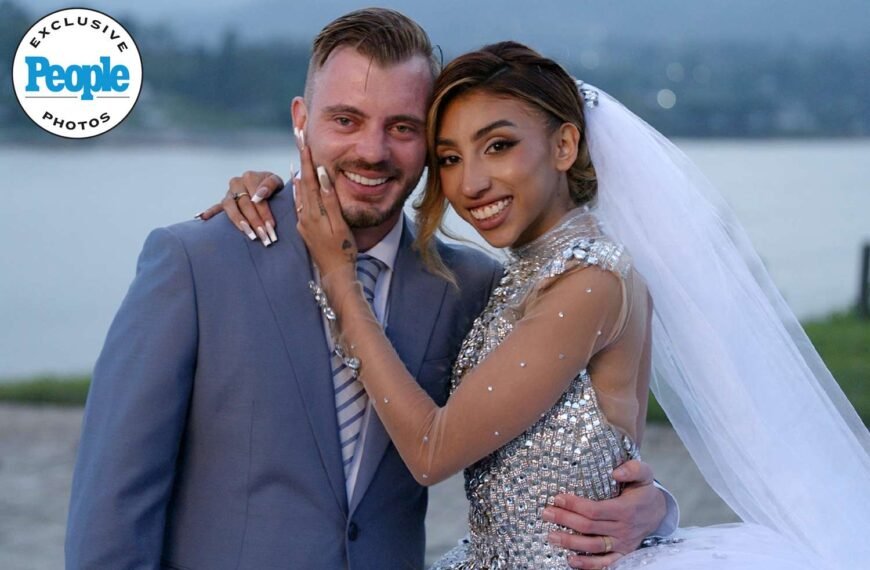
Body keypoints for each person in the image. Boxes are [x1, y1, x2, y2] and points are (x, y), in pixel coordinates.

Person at [65, 10, 673, 570]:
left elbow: (560, 428)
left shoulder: (474, 287)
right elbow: (114, 502)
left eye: (403, 127)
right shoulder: (196, 263)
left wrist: (651, 506)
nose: (372, 150)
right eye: (346, 120)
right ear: (302, 120)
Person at [241, 41, 870, 568]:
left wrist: (339, 281)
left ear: (565, 146)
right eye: (451, 159)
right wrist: (260, 188)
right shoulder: (515, 277)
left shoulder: (590, 283)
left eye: (499, 146)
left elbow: (433, 452)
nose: (471, 184)